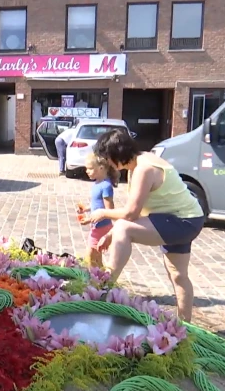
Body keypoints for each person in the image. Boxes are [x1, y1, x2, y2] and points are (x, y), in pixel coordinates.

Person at [88, 129, 205, 322]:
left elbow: (131, 213)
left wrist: (103, 213)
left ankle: (105, 285)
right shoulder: (140, 163)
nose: (108, 163)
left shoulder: (144, 169)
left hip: (181, 221)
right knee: (178, 275)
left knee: (125, 229)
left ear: (116, 153)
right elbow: (138, 212)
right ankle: (184, 326)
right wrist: (111, 234)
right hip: (187, 219)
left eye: (108, 158)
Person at [78, 152, 117, 268]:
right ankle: (102, 278)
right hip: (97, 226)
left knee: (91, 255)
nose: (86, 171)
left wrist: (89, 220)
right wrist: (86, 209)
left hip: (102, 227)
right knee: (96, 255)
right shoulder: (97, 183)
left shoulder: (105, 186)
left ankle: (97, 278)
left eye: (90, 168)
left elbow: (109, 210)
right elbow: (97, 204)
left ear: (101, 168)